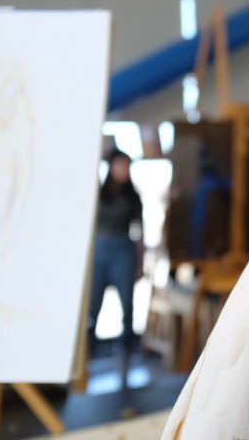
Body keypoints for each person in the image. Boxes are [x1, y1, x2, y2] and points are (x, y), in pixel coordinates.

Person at [89, 148, 143, 386]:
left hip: (124, 248)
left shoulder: (133, 196)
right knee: (93, 306)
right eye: (120, 165)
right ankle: (87, 355)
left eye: (127, 166)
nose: (124, 170)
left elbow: (140, 230)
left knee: (127, 306)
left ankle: (125, 354)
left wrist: (141, 262)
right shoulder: (98, 194)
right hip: (100, 249)